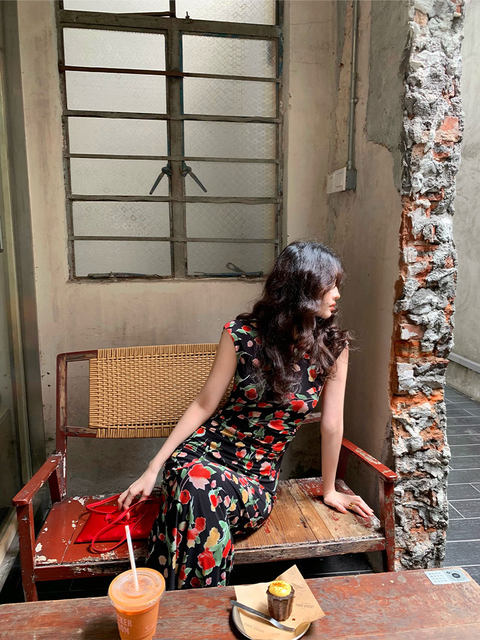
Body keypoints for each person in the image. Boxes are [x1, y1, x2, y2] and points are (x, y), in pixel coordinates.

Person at [118, 241, 373, 590]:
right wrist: (153, 468)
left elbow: (331, 425)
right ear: (301, 288)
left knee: (197, 493)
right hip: (201, 453)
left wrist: (328, 489)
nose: (338, 294)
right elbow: (204, 404)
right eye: (329, 285)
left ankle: (178, 604)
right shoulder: (240, 335)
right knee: (195, 483)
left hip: (254, 479)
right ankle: (204, 608)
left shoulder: (333, 347)